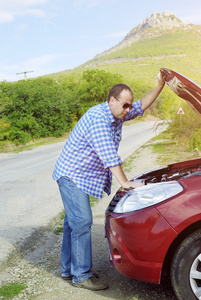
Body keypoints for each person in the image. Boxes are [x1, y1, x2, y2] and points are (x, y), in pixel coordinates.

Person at [52, 72, 165, 291]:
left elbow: (142, 105)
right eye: (124, 105)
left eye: (128, 106)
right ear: (111, 100)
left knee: (72, 223)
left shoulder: (118, 113)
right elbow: (109, 157)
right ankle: (81, 275)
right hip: (72, 175)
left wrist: (159, 85)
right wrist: (125, 183)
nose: (128, 110)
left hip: (80, 175)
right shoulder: (99, 119)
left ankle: (69, 270)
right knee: (82, 222)